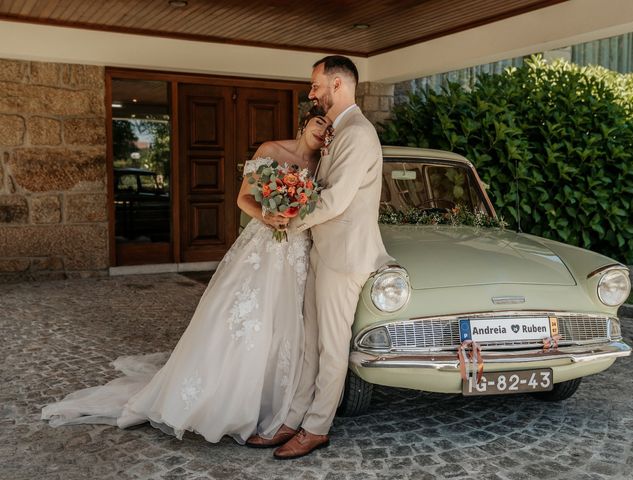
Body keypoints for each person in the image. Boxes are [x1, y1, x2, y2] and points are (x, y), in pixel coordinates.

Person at [41, 108, 332, 445]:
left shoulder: (322, 165)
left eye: (329, 129)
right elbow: (243, 199)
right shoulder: (270, 150)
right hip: (263, 247)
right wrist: (269, 215)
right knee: (244, 318)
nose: (322, 132)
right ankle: (223, 398)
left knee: (287, 323)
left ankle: (273, 400)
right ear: (304, 123)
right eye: (318, 123)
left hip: (297, 250)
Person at [246, 55, 392, 459]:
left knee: (331, 346)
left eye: (316, 86)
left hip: (345, 257)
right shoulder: (338, 130)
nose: (311, 93)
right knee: (310, 343)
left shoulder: (358, 133)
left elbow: (334, 200)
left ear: (338, 86)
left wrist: (284, 223)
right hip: (323, 250)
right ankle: (293, 419)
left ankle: (317, 427)